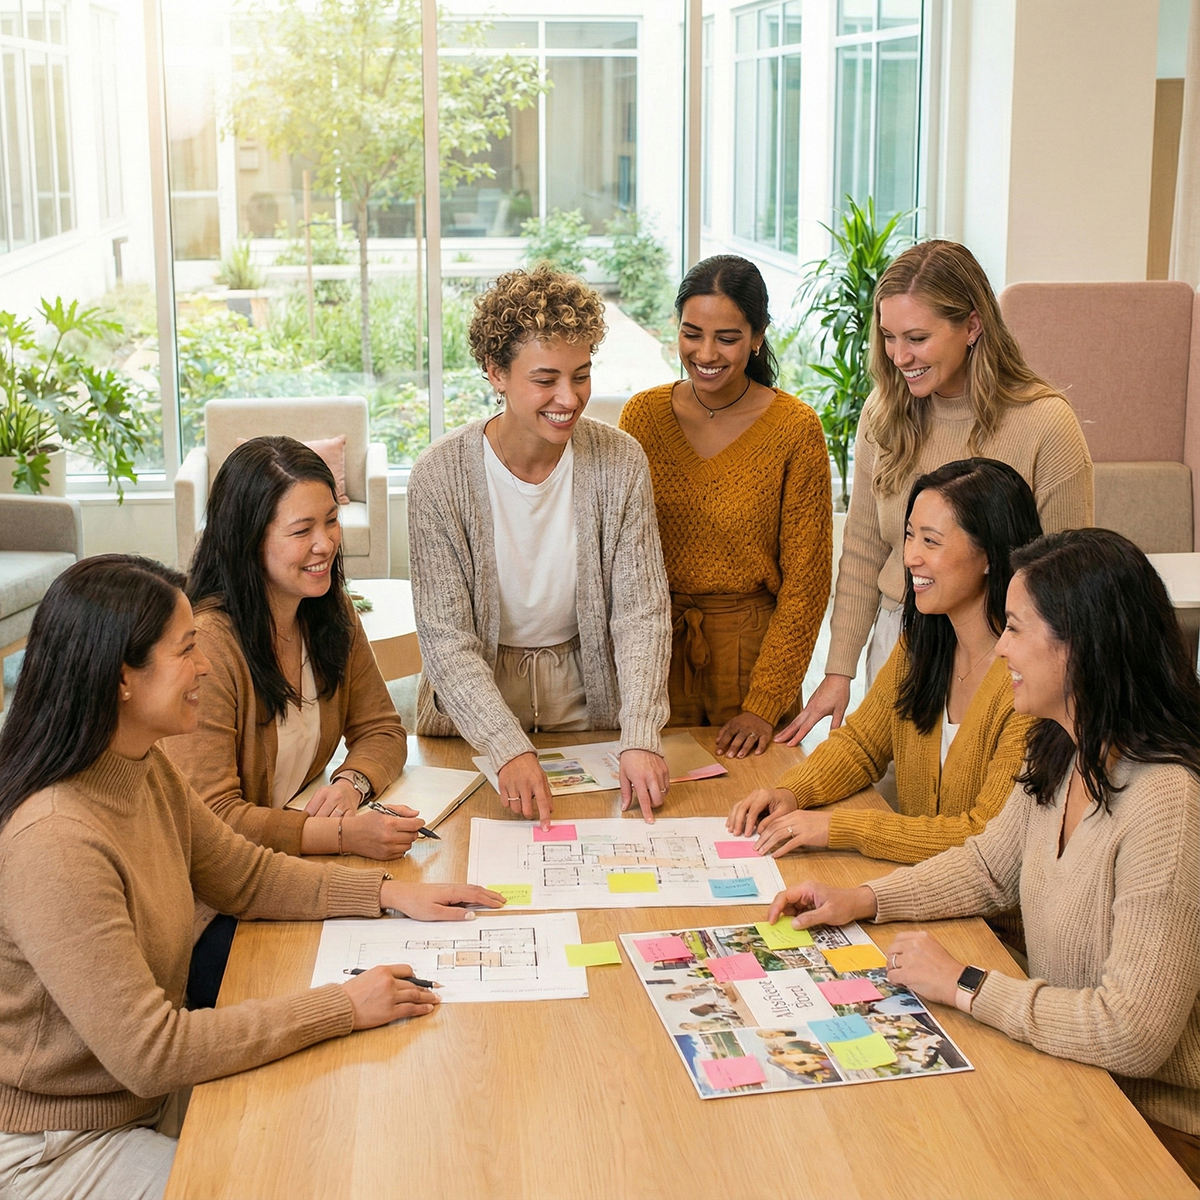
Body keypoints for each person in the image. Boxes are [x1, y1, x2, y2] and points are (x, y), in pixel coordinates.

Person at [0, 556, 503, 1198]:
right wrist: (340, 1007)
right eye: (186, 651)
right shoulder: (55, 840)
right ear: (122, 678)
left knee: (341, 1129)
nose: (205, 666)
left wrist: (388, 895)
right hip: (59, 1145)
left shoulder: (143, 767)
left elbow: (246, 878)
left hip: (140, 1102)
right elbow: (153, 1050)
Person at [767, 529, 1200, 1184]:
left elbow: (1132, 1031)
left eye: (1018, 629)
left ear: (1082, 646)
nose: (1000, 648)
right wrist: (863, 900)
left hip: (1150, 1123)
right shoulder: (1058, 745)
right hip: (1066, 1070)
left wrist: (968, 985)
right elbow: (988, 866)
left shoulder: (1168, 802)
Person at [782, 239, 1093, 747]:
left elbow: (1068, 581)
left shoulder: (1045, 424)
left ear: (972, 326)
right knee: (889, 805)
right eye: (887, 337)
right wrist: (839, 671)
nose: (900, 356)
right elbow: (864, 550)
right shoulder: (882, 415)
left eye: (918, 338)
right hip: (898, 640)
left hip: (1002, 654)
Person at [408, 265, 671, 828]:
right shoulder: (438, 476)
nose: (568, 398)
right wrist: (507, 747)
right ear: (495, 371)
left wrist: (642, 734)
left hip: (587, 703)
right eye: (545, 378)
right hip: (472, 714)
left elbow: (641, 613)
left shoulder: (621, 461)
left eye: (581, 375)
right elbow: (445, 637)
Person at [727, 458, 1041, 863]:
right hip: (919, 894)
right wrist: (790, 792)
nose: (910, 557)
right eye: (909, 537)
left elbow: (983, 836)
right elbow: (861, 744)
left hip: (988, 923)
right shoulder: (920, 646)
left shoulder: (1029, 679)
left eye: (931, 541)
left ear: (990, 556)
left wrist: (838, 828)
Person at [164, 436, 417, 862]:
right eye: (302, 530)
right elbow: (212, 818)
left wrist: (351, 782)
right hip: (223, 880)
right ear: (247, 540)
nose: (326, 543)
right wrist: (338, 834)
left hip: (292, 854)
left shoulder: (328, 609)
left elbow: (383, 729)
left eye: (332, 520)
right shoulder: (207, 645)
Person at [620, 255, 832, 759]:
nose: (706, 352)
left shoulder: (795, 429)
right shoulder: (642, 417)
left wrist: (765, 702)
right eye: (692, 333)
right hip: (655, 650)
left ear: (758, 337)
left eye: (728, 338)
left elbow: (807, 582)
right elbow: (616, 558)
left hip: (753, 658)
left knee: (749, 815)